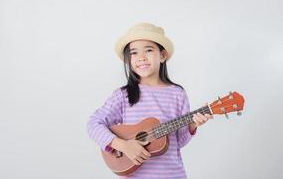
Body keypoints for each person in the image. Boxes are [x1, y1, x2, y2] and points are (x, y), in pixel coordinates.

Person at [87, 23, 213, 178]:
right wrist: (123, 146)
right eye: (134, 53)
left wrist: (193, 125)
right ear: (128, 60)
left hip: (172, 174)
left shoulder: (177, 93)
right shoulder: (123, 95)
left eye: (148, 50)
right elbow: (94, 123)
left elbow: (178, 142)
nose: (141, 57)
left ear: (162, 55)